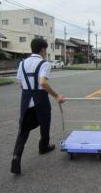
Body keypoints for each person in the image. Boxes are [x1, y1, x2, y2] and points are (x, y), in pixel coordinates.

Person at [11, 38, 65, 174]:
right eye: (46, 49)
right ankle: (43, 146)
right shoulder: (44, 64)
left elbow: (21, 84)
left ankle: (16, 156)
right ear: (42, 49)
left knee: (23, 128)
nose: (46, 52)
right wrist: (57, 95)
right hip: (40, 99)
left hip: (26, 99)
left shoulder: (22, 63)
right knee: (45, 121)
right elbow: (43, 83)